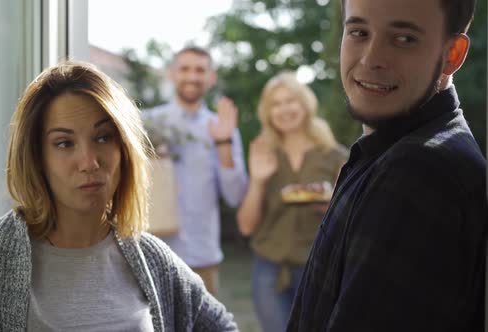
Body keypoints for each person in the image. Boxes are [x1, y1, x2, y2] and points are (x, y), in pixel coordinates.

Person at [0, 61, 238, 331]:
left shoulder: (152, 256)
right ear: (36, 156)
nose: (89, 162)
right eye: (64, 143)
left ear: (124, 149)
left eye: (103, 138)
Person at [287, 0, 487, 331]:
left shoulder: (422, 171)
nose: (371, 59)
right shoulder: (398, 152)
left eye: (404, 38)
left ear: (452, 54)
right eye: (359, 32)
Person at [236, 72, 347, 331]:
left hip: (320, 269)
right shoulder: (263, 152)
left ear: (305, 104)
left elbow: (353, 220)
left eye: (290, 101)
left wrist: (334, 205)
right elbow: (245, 227)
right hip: (270, 272)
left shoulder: (335, 155)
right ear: (268, 112)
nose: (284, 109)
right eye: (276, 104)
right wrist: (258, 180)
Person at [144, 46, 248, 295]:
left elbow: (234, 197)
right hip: (151, 254)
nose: (192, 77)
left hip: (203, 257)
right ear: (171, 74)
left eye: (200, 70)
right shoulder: (146, 122)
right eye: (185, 69)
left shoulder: (223, 128)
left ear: (211, 78)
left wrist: (223, 142)